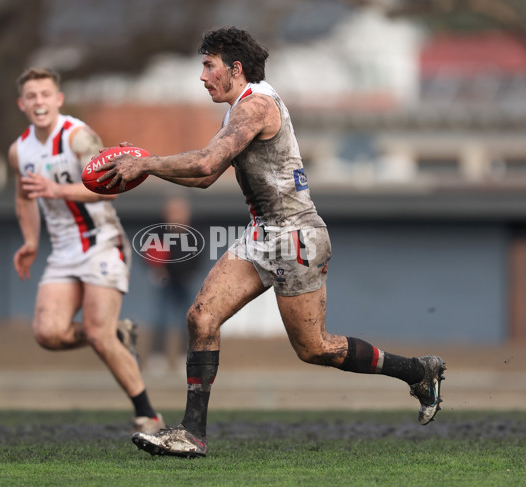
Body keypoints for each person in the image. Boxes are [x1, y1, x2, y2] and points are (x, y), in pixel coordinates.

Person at [98, 27, 446, 458]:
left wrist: (145, 162)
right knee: (201, 317)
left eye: (209, 65)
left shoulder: (257, 106)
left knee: (314, 349)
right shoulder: (239, 109)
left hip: (296, 235)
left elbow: (206, 161)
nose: (202, 76)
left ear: (235, 68)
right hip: (263, 232)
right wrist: (147, 170)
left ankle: (418, 371)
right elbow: (206, 177)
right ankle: (191, 433)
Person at [8, 67, 164, 433]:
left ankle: (148, 414)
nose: (39, 102)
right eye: (31, 96)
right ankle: (119, 335)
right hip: (63, 251)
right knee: (48, 333)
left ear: (58, 99)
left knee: (97, 332)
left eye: (45, 94)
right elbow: (24, 197)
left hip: (101, 243)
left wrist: (58, 190)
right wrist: (30, 242)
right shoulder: (20, 150)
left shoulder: (77, 137)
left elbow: (111, 187)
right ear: (22, 104)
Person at [144, 196, 201, 371]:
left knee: (189, 320)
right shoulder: (158, 230)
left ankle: (186, 357)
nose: (176, 215)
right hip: (165, 282)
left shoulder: (194, 231)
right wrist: (156, 270)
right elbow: (149, 253)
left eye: (180, 211)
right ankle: (157, 357)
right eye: (173, 211)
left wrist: (190, 273)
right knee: (161, 318)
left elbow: (199, 254)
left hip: (185, 281)